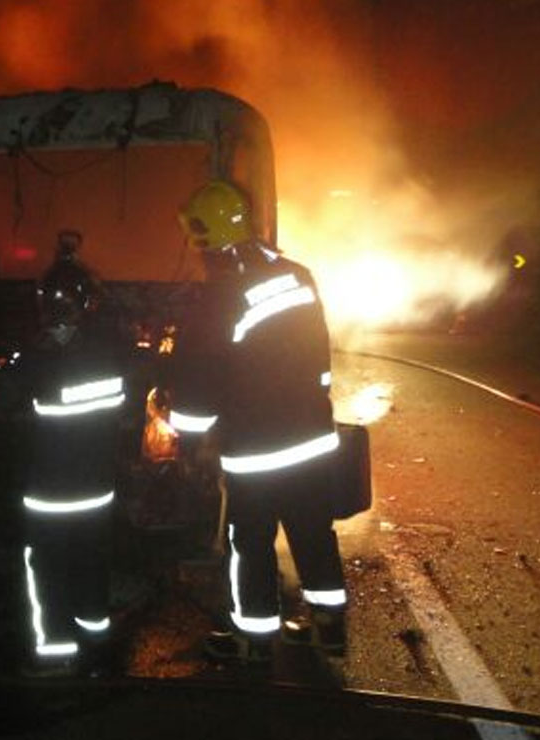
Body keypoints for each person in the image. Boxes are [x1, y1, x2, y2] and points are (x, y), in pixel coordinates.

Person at [166, 181, 347, 664]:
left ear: (208, 238)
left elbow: (197, 389)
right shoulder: (298, 276)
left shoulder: (215, 302)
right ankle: (329, 627)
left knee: (249, 541)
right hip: (312, 436)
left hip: (256, 449)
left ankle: (254, 639)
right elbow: (321, 358)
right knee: (313, 530)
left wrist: (187, 441)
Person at [16, 231, 124, 674]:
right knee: (91, 562)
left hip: (50, 494)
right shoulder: (110, 355)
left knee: (47, 568)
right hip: (97, 489)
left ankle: (54, 656)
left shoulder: (37, 364)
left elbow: (10, 405)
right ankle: (97, 643)